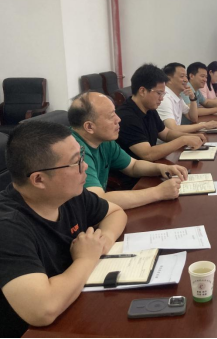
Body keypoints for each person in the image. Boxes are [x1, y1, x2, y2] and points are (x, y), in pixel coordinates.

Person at [0, 122, 127, 337]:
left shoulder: (69, 194)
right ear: (39, 179)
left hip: (75, 308)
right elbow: (43, 310)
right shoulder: (8, 227)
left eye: (82, 155)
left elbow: (116, 213)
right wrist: (86, 258)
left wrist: (102, 241)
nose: (85, 167)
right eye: (76, 162)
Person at [69, 92, 189, 210]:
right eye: (111, 116)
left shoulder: (103, 140)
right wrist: (159, 192)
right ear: (89, 127)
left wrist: (161, 168)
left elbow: (133, 166)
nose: (118, 119)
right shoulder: (74, 151)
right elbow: (98, 200)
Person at [116, 64, 204, 161]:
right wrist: (183, 140)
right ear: (142, 91)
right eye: (159, 93)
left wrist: (190, 137)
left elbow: (166, 134)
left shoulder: (149, 109)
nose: (161, 98)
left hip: (151, 165)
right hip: (136, 169)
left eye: (163, 94)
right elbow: (148, 154)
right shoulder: (126, 117)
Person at [158, 63, 217, 135]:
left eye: (186, 76)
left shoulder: (177, 96)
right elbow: (173, 129)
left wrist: (192, 98)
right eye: (182, 76)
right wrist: (204, 125)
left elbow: (193, 118)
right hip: (169, 140)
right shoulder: (165, 98)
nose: (186, 80)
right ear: (169, 79)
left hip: (177, 137)